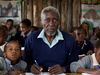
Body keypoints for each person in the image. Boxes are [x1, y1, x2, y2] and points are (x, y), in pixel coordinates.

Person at [24, 6, 79, 74]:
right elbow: (25, 62)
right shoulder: (31, 38)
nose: (51, 23)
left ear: (59, 22)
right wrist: (30, 67)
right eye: (47, 20)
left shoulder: (69, 40)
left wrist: (64, 68)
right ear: (41, 21)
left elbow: (75, 64)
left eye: (55, 20)